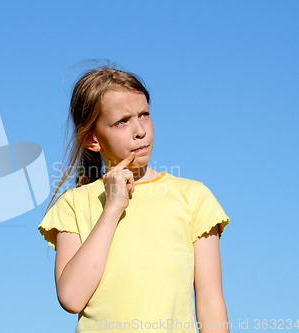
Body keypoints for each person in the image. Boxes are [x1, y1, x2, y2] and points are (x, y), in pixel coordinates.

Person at [38, 66, 231, 333]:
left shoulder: (193, 197)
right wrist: (113, 207)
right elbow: (72, 297)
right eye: (122, 121)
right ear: (92, 139)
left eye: (144, 115)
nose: (140, 131)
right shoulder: (73, 204)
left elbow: (211, 304)